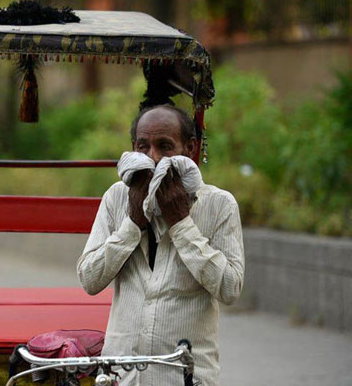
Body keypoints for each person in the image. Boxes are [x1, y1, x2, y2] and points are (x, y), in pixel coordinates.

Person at [77, 105, 244, 386]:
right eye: (143, 147)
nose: (152, 159)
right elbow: (89, 279)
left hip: (184, 376)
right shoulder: (117, 197)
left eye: (164, 147)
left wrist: (181, 224)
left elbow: (230, 289)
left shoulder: (219, 205)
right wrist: (132, 223)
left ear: (189, 149)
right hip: (121, 375)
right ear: (132, 148)